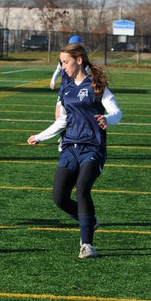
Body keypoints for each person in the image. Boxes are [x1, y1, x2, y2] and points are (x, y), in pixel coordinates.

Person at [27, 41, 122, 259]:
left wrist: (107, 118)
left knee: (82, 189)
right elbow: (63, 121)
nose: (63, 67)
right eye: (61, 63)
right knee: (59, 197)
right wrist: (40, 136)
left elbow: (117, 112)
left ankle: (87, 244)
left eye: (65, 62)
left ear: (79, 60)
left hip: (93, 148)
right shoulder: (66, 87)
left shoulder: (96, 84)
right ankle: (89, 219)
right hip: (69, 147)